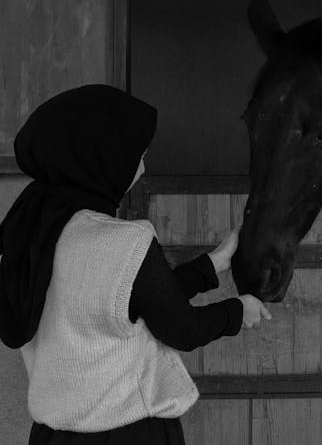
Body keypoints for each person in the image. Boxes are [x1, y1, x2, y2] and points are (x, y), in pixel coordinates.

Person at [0, 84, 272, 444]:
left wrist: (212, 265)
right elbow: (181, 328)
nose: (142, 168)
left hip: (52, 436)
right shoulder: (122, 242)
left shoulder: (30, 234)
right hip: (129, 435)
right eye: (136, 155)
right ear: (101, 158)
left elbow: (128, 304)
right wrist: (239, 311)